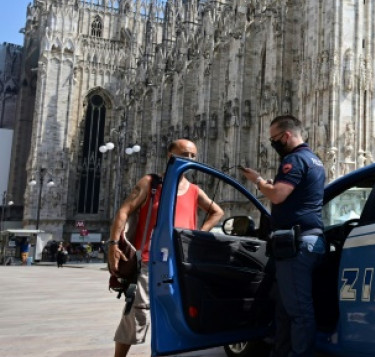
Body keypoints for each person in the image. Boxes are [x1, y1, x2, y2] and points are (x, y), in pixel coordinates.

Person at [106, 139, 224, 357]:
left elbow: (217, 212)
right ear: (170, 156)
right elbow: (124, 211)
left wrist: (199, 234)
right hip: (150, 260)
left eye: (192, 156)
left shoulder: (194, 190)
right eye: (184, 154)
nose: (189, 159)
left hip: (180, 262)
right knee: (137, 313)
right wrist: (113, 244)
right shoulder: (151, 183)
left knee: (176, 313)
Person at [240, 115, 326, 357]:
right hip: (307, 240)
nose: (274, 144)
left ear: (287, 136)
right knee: (285, 308)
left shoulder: (294, 160)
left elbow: (277, 196)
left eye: (275, 139)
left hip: (296, 244)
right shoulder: (314, 160)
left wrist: (257, 180)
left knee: (298, 310)